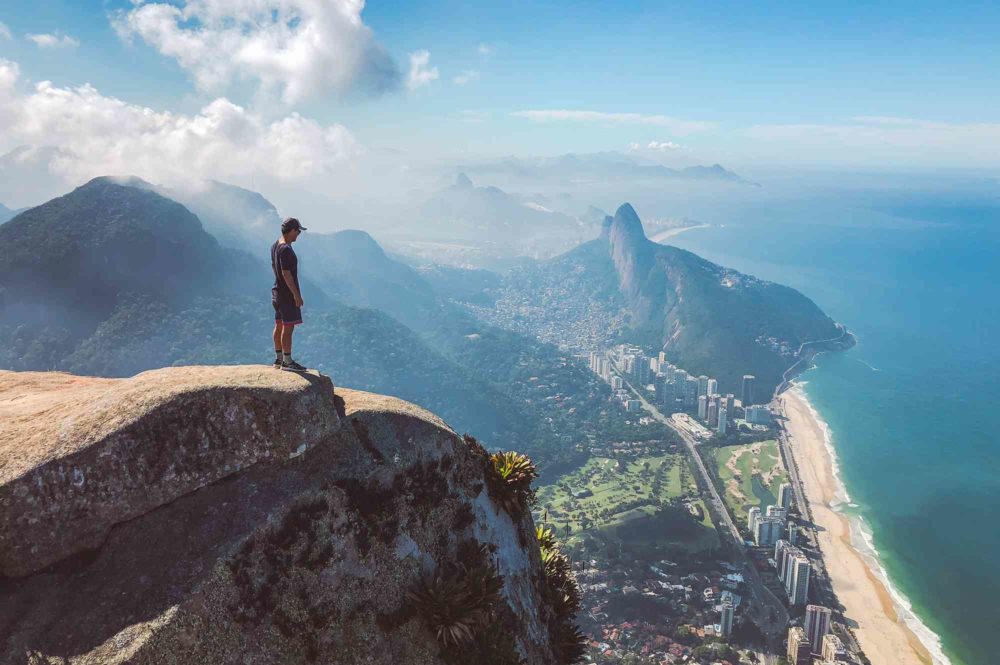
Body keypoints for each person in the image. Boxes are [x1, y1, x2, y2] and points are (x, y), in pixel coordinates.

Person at [271, 217, 308, 372]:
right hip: (286, 295)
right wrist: (296, 295)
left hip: (277, 292)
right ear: (292, 230)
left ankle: (279, 359)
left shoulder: (275, 245)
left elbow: (275, 268)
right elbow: (287, 274)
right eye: (298, 231)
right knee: (288, 327)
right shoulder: (286, 249)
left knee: (278, 324)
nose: (298, 234)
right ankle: (287, 361)